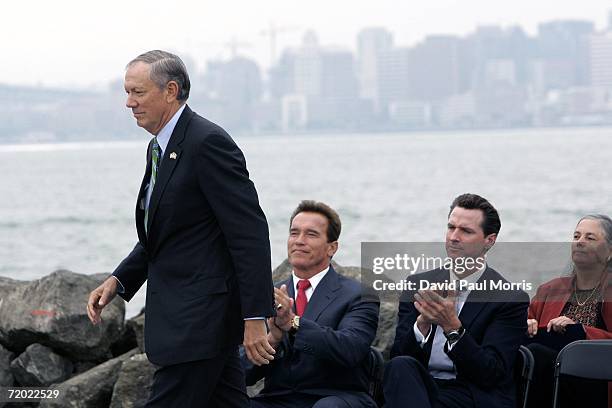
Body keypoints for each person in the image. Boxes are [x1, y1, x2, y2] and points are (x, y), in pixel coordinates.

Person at [85, 50, 275, 407]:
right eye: (127, 92)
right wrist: (120, 279)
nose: (129, 103)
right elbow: (168, 230)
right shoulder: (160, 146)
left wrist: (255, 317)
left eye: (137, 92)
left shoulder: (207, 143)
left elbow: (248, 233)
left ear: (170, 90)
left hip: (199, 323)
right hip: (193, 323)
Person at [384, 193, 529, 408]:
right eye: (451, 227)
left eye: (466, 231)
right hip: (421, 386)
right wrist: (422, 324)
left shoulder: (510, 298)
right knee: (400, 366)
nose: (454, 237)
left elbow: (491, 373)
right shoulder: (417, 284)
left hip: (471, 393)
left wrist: (452, 327)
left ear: (489, 240)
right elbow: (398, 357)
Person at [243, 200, 380, 408]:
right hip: (278, 399)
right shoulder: (267, 295)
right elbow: (242, 373)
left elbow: (350, 350)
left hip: (336, 397)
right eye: (294, 233)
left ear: (332, 248)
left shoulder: (359, 294)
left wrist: (292, 323)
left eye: (311, 234)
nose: (299, 241)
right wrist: (273, 339)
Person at [526, 214, 612, 408]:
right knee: (532, 351)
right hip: (550, 378)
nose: (580, 242)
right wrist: (528, 324)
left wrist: (581, 332)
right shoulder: (549, 290)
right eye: (576, 236)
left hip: (597, 380)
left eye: (590, 238)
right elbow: (523, 324)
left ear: (609, 252)